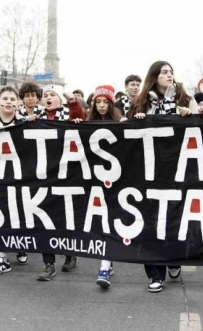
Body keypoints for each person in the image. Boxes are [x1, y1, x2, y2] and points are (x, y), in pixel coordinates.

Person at [127, 61, 197, 293]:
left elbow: (201, 129)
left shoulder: (185, 99)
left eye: (171, 72)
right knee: (150, 222)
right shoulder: (141, 102)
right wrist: (136, 121)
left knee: (173, 219)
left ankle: (173, 258)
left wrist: (188, 116)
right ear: (154, 76)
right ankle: (155, 274)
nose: (169, 75)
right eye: (164, 72)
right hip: (148, 171)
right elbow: (126, 132)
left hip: (177, 170)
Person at [35, 84, 85, 282]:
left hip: (66, 175)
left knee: (66, 217)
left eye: (52, 95)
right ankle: (48, 263)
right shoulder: (37, 117)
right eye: (45, 95)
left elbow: (78, 114)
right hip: (43, 175)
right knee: (44, 219)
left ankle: (70, 253)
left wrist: (72, 101)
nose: (48, 98)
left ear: (60, 100)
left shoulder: (67, 114)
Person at [0, 86, 29, 277]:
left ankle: (20, 246)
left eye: (12, 99)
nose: (8, 102)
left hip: (20, 177)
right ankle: (1, 259)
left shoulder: (25, 123)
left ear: (17, 103)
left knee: (19, 214)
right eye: (5, 99)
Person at [85, 85, 120, 289]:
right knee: (100, 223)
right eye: (98, 102)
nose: (101, 105)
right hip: (94, 181)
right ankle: (107, 262)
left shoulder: (120, 122)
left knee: (109, 222)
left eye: (105, 102)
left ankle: (105, 267)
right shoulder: (87, 124)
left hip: (115, 181)